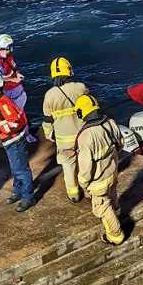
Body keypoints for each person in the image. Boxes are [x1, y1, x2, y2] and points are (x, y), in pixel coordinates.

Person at [72, 94, 125, 245]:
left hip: (97, 181)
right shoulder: (110, 123)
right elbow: (120, 144)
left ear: (82, 113)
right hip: (112, 172)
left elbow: (85, 166)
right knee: (112, 194)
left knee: (102, 207)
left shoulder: (86, 135)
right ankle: (117, 213)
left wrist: (83, 183)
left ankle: (115, 236)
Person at [0, 73, 34, 211]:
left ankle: (28, 197)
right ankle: (18, 192)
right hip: (9, 141)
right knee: (15, 168)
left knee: (21, 169)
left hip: (14, 141)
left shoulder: (4, 103)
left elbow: (14, 124)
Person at [42, 57, 90, 202]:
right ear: (69, 70)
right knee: (85, 164)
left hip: (63, 141)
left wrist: (48, 134)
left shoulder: (49, 95)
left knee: (68, 167)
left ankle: (74, 195)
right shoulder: (80, 87)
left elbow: (47, 121)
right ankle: (88, 192)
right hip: (82, 136)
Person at [0, 34, 36, 143]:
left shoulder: (9, 58)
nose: (11, 47)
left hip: (17, 89)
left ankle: (26, 133)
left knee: (20, 112)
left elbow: (13, 70)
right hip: (7, 92)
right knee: (8, 117)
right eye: (10, 45)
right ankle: (9, 136)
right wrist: (12, 80)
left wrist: (17, 75)